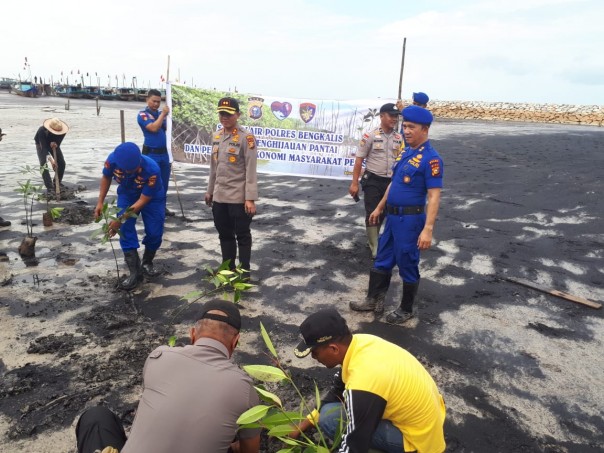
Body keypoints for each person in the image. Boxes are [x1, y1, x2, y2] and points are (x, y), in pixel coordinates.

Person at [75, 300, 261, 453]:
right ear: (236, 341)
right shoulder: (243, 387)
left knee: (95, 416)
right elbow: (250, 451)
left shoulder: (158, 356)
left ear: (192, 334)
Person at [293, 307, 446, 453]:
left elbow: (354, 445)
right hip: (428, 421)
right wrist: (303, 425)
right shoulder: (360, 343)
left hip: (419, 442)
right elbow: (337, 391)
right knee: (329, 411)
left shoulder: (364, 381)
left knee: (330, 420)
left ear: (333, 348)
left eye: (315, 353)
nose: (314, 358)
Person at [350, 106, 443, 324]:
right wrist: (380, 207)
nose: (406, 131)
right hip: (392, 218)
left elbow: (434, 196)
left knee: (407, 261)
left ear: (425, 129)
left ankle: (406, 308)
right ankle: (373, 299)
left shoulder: (431, 159)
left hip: (410, 221)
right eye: (405, 126)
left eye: (412, 127)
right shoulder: (406, 151)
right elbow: (394, 183)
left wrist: (428, 229)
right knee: (382, 258)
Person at [94, 142, 165, 290]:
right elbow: (106, 177)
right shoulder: (112, 160)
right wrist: (100, 202)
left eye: (133, 170)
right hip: (127, 193)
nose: (129, 172)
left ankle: (147, 262)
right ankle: (135, 272)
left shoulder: (152, 169)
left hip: (151, 197)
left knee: (155, 232)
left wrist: (119, 220)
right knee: (125, 229)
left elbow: (143, 200)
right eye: (125, 170)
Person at [205, 97, 258, 277]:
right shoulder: (217, 136)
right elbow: (214, 167)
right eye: (221, 113)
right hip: (220, 196)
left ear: (238, 115)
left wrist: (250, 198)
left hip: (238, 197)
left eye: (228, 114)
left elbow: (251, 169)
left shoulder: (246, 138)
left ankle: (244, 272)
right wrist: (209, 190)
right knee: (224, 234)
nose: (224, 117)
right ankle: (228, 268)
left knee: (242, 235)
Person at [349, 103, 403, 258]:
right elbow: (359, 160)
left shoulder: (399, 138)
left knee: (385, 212)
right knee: (372, 211)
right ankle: (374, 247)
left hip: (390, 182)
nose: (394, 119)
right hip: (372, 180)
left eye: (396, 116)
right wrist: (354, 183)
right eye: (391, 115)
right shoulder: (370, 136)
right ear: (381, 116)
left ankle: (374, 238)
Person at [137, 88, 173, 215]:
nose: (156, 104)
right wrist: (163, 114)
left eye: (158, 102)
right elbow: (153, 128)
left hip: (165, 154)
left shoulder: (161, 115)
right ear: (147, 100)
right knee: (151, 182)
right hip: (151, 154)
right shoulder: (143, 115)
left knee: (164, 182)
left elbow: (171, 128)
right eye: (154, 101)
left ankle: (162, 207)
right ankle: (148, 207)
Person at [34, 117, 69, 193]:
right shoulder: (41, 131)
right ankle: (49, 186)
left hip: (53, 144)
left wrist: (55, 144)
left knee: (62, 163)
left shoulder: (62, 131)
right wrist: (52, 161)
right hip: (41, 145)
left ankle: (57, 182)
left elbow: (58, 142)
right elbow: (44, 148)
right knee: (43, 164)